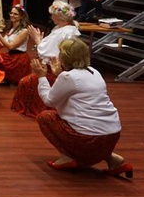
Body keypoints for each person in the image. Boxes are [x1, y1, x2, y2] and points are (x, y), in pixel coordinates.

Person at [31, 37, 132, 178]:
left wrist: (42, 77)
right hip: (112, 136)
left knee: (45, 117)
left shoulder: (68, 76)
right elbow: (78, 89)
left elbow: (49, 100)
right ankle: (112, 158)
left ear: (66, 57)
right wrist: (59, 75)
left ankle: (67, 157)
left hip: (88, 140)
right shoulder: (94, 72)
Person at [11, 2, 81, 118]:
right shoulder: (61, 29)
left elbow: (49, 53)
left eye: (52, 15)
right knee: (26, 81)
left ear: (58, 17)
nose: (51, 17)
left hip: (56, 70)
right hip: (51, 67)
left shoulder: (66, 32)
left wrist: (37, 40)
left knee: (26, 82)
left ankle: (39, 110)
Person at [0, 4, 31, 84]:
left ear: (21, 17)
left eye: (15, 14)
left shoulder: (24, 31)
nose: (12, 15)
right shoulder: (12, 29)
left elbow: (10, 46)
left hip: (18, 59)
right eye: (11, 13)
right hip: (10, 56)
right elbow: (1, 45)